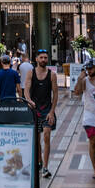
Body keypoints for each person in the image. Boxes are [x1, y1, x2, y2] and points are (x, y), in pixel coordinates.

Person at [24, 47, 58, 179]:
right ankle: (39, 162)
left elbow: (55, 95)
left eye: (45, 57)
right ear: (36, 59)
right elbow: (26, 89)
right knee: (36, 139)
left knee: (47, 136)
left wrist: (52, 111)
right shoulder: (31, 73)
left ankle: (45, 167)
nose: (43, 59)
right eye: (41, 57)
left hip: (46, 110)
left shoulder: (52, 75)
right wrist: (28, 100)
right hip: (34, 110)